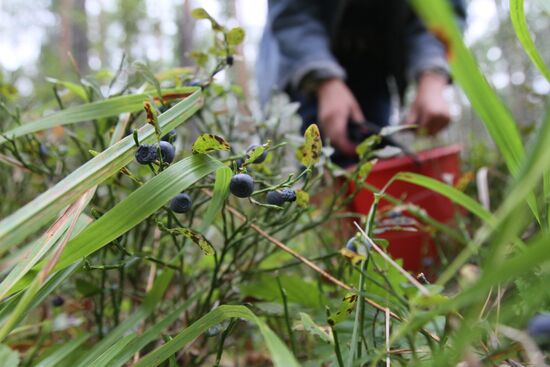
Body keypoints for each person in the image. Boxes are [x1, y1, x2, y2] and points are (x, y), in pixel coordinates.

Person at [257, 0, 466, 166]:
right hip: (306, 60)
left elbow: (443, 12)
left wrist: (432, 74)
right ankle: (326, 209)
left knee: (374, 157)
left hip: (375, 64)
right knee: (323, 162)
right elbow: (293, 14)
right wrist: (323, 80)